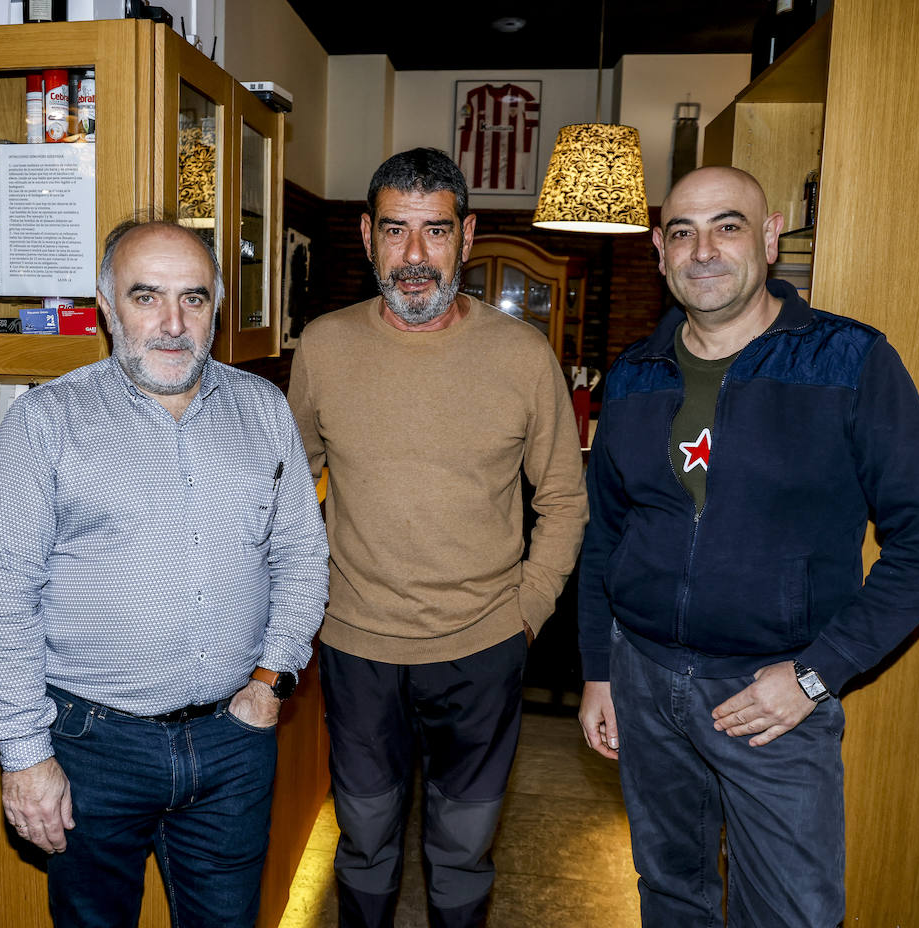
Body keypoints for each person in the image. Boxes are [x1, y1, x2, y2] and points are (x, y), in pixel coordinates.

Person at [576, 165, 919, 927]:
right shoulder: (633, 376)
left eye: (727, 226)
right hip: (644, 681)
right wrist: (599, 671)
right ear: (659, 249)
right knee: (669, 892)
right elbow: (608, 540)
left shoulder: (848, 362)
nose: (704, 250)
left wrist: (814, 676)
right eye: (682, 232)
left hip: (769, 698)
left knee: (793, 913)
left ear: (769, 234)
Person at [0, 217, 329, 928]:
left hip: (234, 745)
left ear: (216, 308)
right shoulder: (45, 421)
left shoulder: (263, 411)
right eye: (146, 296)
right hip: (89, 749)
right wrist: (24, 755)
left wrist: (273, 679)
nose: (172, 323)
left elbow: (301, 553)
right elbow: (5, 598)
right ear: (107, 305)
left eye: (193, 299)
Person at [288, 148, 588, 928]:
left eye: (434, 232)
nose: (415, 257)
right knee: (364, 843)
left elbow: (563, 498)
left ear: (467, 235)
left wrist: (526, 611)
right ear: (366, 235)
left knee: (462, 851)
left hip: (483, 646)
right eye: (396, 231)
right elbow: (287, 491)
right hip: (357, 647)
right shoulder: (323, 347)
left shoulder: (523, 357)